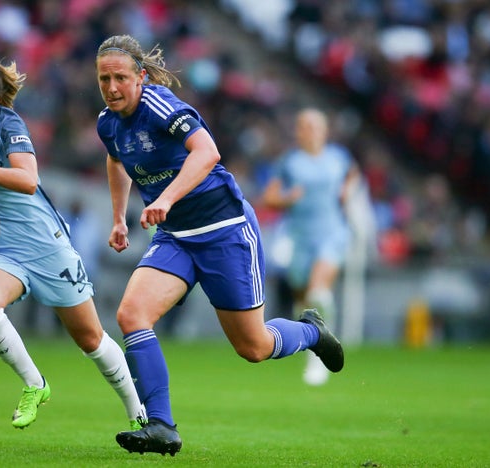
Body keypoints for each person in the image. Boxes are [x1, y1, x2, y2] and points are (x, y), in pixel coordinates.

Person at [94, 34, 345, 456]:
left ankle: (310, 332)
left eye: (120, 77)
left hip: (225, 229)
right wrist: (119, 218)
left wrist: (167, 198)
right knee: (132, 314)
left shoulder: (159, 106)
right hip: (176, 237)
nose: (112, 87)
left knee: (253, 347)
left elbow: (207, 151)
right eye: (104, 79)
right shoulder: (108, 121)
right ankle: (161, 425)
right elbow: (116, 158)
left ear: (140, 76)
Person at [0, 55, 146, 434]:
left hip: (45, 244)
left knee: (90, 339)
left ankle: (138, 411)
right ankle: (34, 384)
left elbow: (27, 179)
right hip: (0, 247)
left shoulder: (9, 125)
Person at [261, 108, 360, 385]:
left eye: (313, 126)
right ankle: (313, 346)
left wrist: (347, 191)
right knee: (304, 302)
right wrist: (287, 199)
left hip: (332, 232)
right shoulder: (290, 162)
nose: (308, 131)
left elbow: (353, 175)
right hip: (300, 236)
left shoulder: (338, 157)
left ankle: (323, 360)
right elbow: (269, 197)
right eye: (303, 126)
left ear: (324, 130)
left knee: (319, 290)